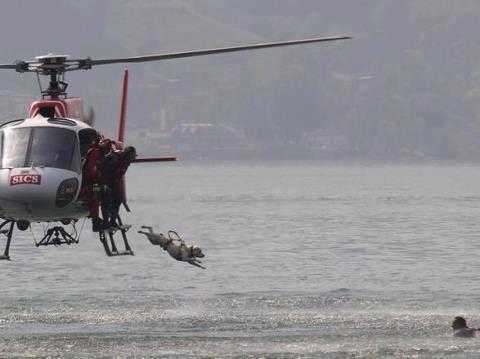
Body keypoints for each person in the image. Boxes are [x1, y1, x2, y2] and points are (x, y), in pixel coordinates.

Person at [100, 146, 136, 229]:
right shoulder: (114, 159)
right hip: (97, 184)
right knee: (106, 198)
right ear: (127, 155)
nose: (131, 161)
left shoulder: (125, 162)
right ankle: (106, 223)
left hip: (112, 182)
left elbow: (117, 176)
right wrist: (104, 185)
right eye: (131, 158)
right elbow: (104, 173)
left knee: (118, 199)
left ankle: (112, 222)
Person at [82, 137, 111, 232]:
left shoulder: (97, 152)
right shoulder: (96, 153)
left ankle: (96, 219)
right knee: (95, 198)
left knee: (97, 198)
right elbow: (92, 170)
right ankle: (95, 221)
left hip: (93, 181)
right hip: (92, 182)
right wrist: (99, 179)